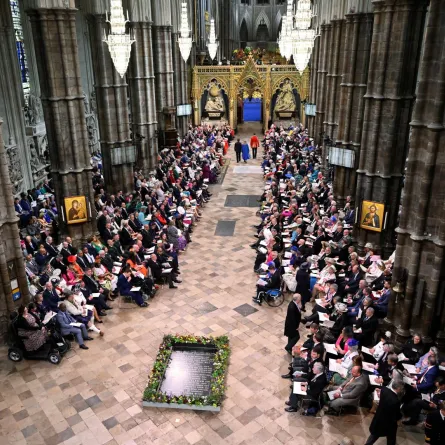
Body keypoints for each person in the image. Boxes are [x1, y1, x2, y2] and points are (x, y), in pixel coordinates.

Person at [364, 380, 404, 445]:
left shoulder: (384, 390)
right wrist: (400, 417)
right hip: (388, 423)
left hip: (378, 418)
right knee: (391, 437)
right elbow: (396, 415)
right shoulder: (395, 400)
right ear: (399, 388)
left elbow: (381, 388)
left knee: (374, 435)